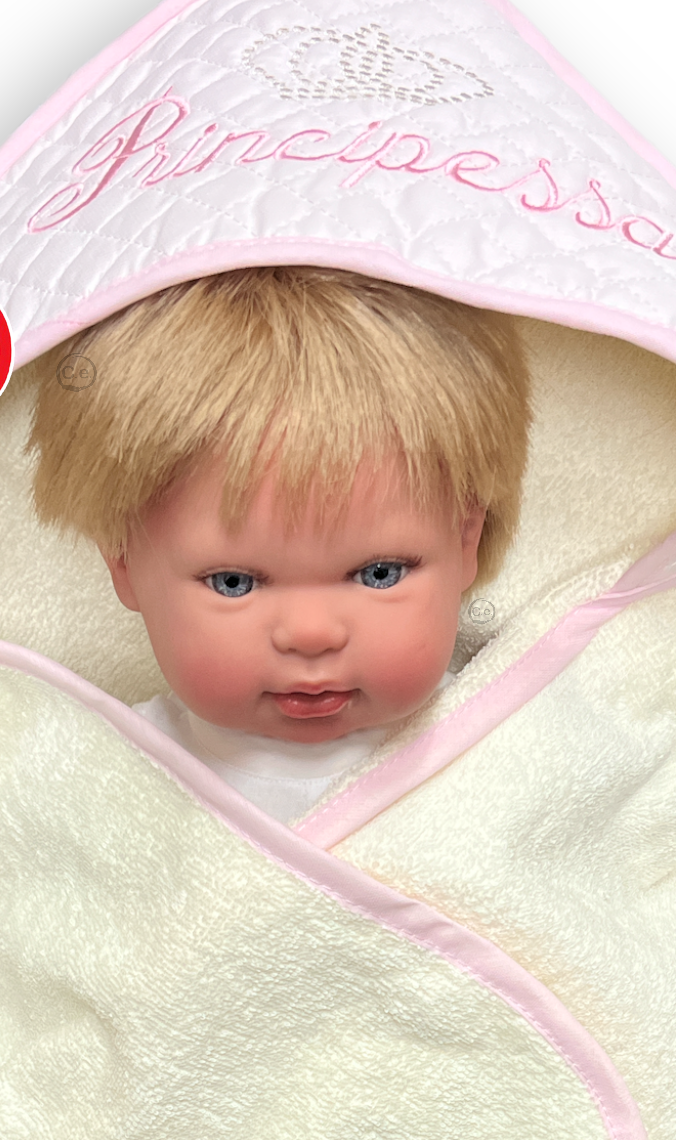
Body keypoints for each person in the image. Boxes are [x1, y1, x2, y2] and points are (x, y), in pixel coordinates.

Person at [29, 266, 532, 822]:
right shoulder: (100, 780)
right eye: (234, 583)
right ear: (122, 562)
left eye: (380, 574)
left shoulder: (518, 739)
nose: (311, 634)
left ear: (466, 539)